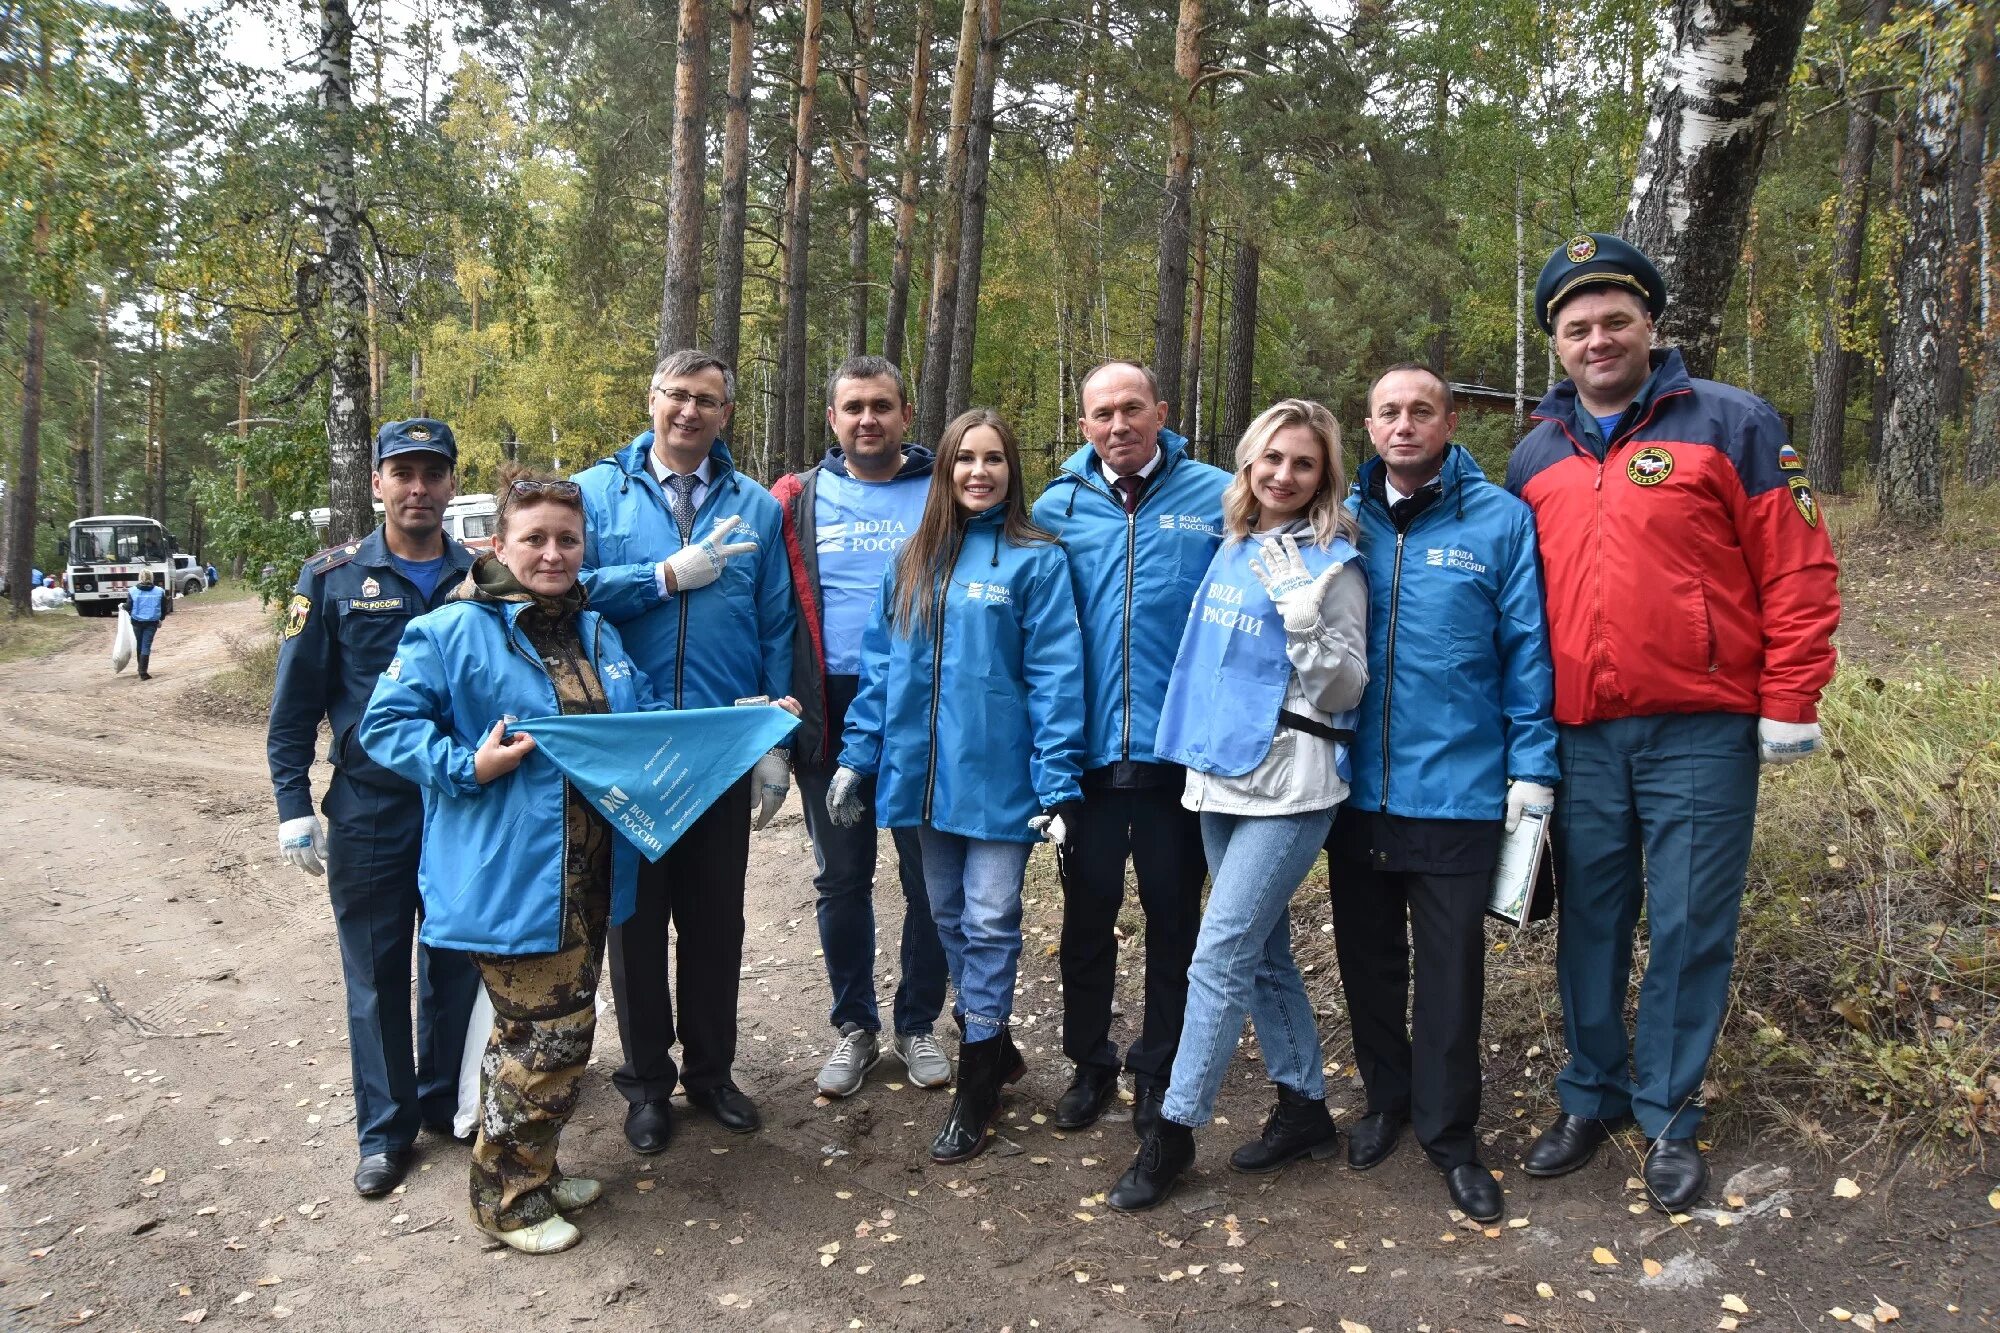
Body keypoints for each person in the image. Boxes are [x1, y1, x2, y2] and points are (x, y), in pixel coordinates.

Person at [1507, 234, 1840, 1212]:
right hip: (1577, 735)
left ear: (1650, 324)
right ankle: (1588, 1093)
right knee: (1589, 926)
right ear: (1555, 345)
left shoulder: (1732, 423)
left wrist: (1788, 700)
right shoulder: (1534, 452)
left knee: (1689, 925)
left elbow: (1797, 568)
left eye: (1614, 319)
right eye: (1576, 327)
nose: (1597, 338)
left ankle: (1666, 1117)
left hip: (1699, 730)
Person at [359, 468, 668, 1255]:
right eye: (534, 538)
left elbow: (636, 730)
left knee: (546, 1034)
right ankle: (505, 1200)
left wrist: (742, 721)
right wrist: (470, 764)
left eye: (568, 538)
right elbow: (383, 726)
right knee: (546, 1039)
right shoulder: (452, 630)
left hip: (590, 878)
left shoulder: (595, 631)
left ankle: (531, 1165)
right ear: (498, 544)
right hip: (510, 875)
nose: (553, 552)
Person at [1107, 399, 1369, 1211]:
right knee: (1261, 954)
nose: (1284, 474)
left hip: (1291, 781)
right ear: (1248, 464)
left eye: (1303, 462)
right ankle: (1303, 1105)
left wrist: (1304, 618)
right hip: (1221, 772)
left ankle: (1174, 1131)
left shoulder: (1334, 563)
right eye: (1271, 459)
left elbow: (1346, 686)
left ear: (1324, 472)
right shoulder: (1235, 546)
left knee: (1218, 953)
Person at [1325, 364, 1558, 1224]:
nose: (1404, 424)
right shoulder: (1337, 521)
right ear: (1369, 421)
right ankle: (1386, 1101)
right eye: (1388, 411)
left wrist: (1531, 771)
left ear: (1451, 420)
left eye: (1422, 410)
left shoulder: (1499, 521)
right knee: (1370, 960)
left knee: (1452, 974)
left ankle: (1451, 1134)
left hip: (1460, 788)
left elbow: (1526, 654)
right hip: (1356, 791)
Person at [826, 408, 1086, 1164]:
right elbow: (880, 672)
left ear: (1012, 471)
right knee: (945, 917)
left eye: (994, 459)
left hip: (1003, 783)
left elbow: (1057, 678)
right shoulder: (911, 560)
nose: (979, 471)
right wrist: (857, 757)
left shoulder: (1036, 560)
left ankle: (978, 1081)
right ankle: (993, 1041)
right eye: (965, 458)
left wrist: (1058, 783)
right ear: (944, 469)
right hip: (922, 781)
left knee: (991, 917)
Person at [574, 348, 796, 1150]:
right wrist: (661, 576)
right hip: (627, 746)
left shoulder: (755, 507)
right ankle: (644, 1085)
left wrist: (773, 738)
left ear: (725, 413)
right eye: (677, 396)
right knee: (635, 924)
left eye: (707, 400)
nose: (689, 412)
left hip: (718, 748)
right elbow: (565, 589)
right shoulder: (597, 493)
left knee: (714, 920)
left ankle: (711, 1071)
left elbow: (775, 624)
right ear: (651, 398)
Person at [266, 418, 482, 1198]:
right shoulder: (331, 576)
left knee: (455, 963)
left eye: (433, 472)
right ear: (377, 483)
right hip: (370, 809)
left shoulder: (484, 575)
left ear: (453, 483)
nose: (418, 487)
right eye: (404, 472)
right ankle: (384, 1132)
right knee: (378, 970)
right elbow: (293, 707)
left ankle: (443, 1101)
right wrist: (294, 803)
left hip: (460, 803)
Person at [1030, 361, 1231, 1137]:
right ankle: (1089, 1062)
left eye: (1133, 408)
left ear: (1162, 410)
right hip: (1084, 759)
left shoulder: (1217, 494)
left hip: (1178, 758)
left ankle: (1160, 1068)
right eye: (1102, 413)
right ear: (1083, 424)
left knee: (1175, 921)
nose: (1119, 425)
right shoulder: (1057, 505)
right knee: (1086, 919)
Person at [772, 356, 952, 1098]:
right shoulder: (797, 498)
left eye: (882, 406)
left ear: (907, 414)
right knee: (840, 875)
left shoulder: (944, 488)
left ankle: (917, 1023)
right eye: (854, 408)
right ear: (833, 419)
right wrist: (775, 734)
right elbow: (769, 608)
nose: (868, 419)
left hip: (922, 703)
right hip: (828, 700)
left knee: (927, 876)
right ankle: (855, 1025)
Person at [126, 574, 167, 679]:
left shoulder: (132, 591)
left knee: (139, 644)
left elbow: (129, 606)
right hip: (152, 622)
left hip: (136, 621)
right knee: (146, 645)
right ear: (152, 578)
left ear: (140, 578)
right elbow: (164, 608)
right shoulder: (159, 591)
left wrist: (123, 606)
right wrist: (161, 619)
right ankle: (143, 671)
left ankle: (140, 668)